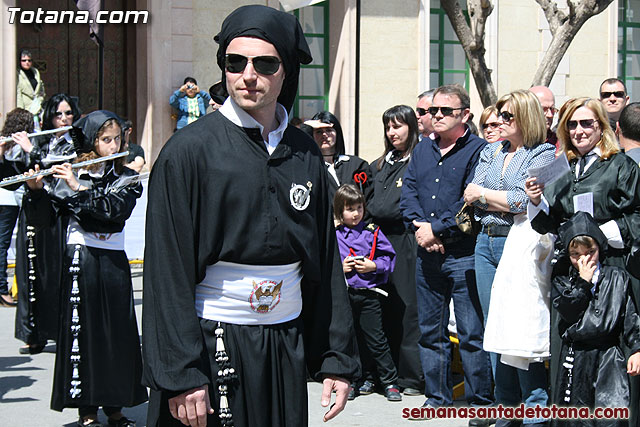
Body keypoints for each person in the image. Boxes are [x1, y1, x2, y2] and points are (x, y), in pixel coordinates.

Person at [142, 5, 360, 427]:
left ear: (287, 70)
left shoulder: (304, 152)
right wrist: (181, 372)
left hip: (285, 345)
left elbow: (325, 261)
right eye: (235, 62)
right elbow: (165, 270)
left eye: (265, 63)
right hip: (212, 345)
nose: (247, 75)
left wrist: (336, 357)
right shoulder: (188, 152)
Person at [24, 110, 147, 427]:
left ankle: (117, 408)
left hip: (113, 262)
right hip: (81, 262)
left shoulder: (126, 179)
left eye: (117, 138)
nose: (114, 144)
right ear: (92, 143)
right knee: (86, 334)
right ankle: (87, 410)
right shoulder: (68, 177)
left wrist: (78, 190)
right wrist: (38, 190)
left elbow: (112, 213)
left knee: (117, 333)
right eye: (107, 139)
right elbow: (43, 221)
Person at [525, 97, 640, 426]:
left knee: (607, 361)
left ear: (601, 126)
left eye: (586, 123)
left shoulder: (620, 165)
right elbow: (551, 223)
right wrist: (536, 202)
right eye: (572, 124)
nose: (579, 130)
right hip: (569, 274)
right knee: (568, 352)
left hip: (610, 272)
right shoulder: (562, 168)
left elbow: (636, 218)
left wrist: (595, 237)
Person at [402, 85, 493, 421]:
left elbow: (470, 203)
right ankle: (437, 400)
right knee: (430, 332)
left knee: (471, 334)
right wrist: (422, 230)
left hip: (464, 255)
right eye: (432, 111)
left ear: (464, 115)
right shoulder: (422, 150)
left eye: (444, 111)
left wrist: (436, 229)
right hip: (428, 255)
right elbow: (409, 192)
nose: (435, 116)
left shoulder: (479, 151)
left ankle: (480, 404)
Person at [464, 89, 555, 427]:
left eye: (508, 116)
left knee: (521, 328)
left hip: (519, 242)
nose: (499, 122)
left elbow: (523, 201)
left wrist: (486, 196)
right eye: (499, 115)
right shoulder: (491, 150)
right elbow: (470, 194)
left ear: (526, 118)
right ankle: (506, 406)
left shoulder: (543, 153)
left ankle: (534, 407)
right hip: (485, 243)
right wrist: (493, 198)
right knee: (496, 329)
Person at [552, 211, 640, 416]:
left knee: (611, 410)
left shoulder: (616, 276)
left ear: (599, 248)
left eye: (589, 252)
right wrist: (583, 282)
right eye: (576, 254)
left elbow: (630, 315)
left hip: (608, 356)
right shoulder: (562, 280)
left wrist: (636, 347)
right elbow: (569, 310)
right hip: (576, 356)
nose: (584, 259)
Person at [13, 93, 80, 355]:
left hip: (59, 213)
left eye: (67, 113)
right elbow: (22, 171)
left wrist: (32, 150)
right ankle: (33, 333)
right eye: (57, 114)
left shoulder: (76, 139)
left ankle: (59, 331)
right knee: (29, 272)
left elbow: (59, 170)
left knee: (55, 273)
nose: (62, 119)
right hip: (34, 209)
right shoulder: (41, 139)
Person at [367, 104, 424, 397]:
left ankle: (411, 377)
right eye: (388, 127)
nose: (392, 133)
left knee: (407, 308)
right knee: (381, 308)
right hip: (379, 240)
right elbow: (372, 203)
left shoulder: (419, 160)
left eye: (398, 126)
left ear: (412, 127)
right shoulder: (380, 164)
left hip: (405, 239)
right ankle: (381, 374)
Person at [334, 184, 400, 402]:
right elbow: (326, 264)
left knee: (376, 339)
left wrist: (373, 266)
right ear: (339, 212)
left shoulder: (373, 231)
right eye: (349, 209)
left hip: (370, 293)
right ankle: (351, 381)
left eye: (359, 208)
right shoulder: (334, 235)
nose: (355, 214)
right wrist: (340, 269)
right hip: (345, 295)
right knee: (349, 340)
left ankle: (389, 381)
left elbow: (389, 258)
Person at [0, 108, 34, 307]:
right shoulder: (21, 145)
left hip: (7, 198)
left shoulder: (7, 143)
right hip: (9, 199)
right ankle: (2, 290)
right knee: (3, 246)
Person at [304, 111, 370, 202]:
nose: (324, 135)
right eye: (319, 131)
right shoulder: (308, 167)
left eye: (328, 130)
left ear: (337, 132)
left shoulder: (357, 165)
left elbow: (369, 200)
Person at [16, 49, 45, 128]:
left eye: (29, 60)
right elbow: (18, 93)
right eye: (24, 60)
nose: (27, 62)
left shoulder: (35, 72)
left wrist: (41, 99)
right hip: (26, 108)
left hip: (37, 107)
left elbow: (41, 87)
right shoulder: (17, 74)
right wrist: (21, 112)